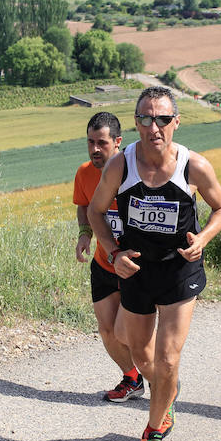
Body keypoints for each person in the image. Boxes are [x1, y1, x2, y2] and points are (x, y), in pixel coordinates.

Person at [88, 86, 221, 441]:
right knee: (141, 355)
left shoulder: (194, 166)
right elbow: (96, 212)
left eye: (163, 119)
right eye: (147, 119)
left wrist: (203, 238)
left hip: (178, 269)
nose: (155, 127)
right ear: (136, 123)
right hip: (136, 269)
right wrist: (114, 252)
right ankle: (164, 394)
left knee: (168, 359)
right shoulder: (121, 165)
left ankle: (153, 435)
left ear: (176, 122)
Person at [74, 112, 143, 402]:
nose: (95, 149)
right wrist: (85, 233)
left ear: (118, 142)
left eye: (101, 142)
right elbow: (84, 206)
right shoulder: (84, 172)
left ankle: (162, 382)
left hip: (135, 267)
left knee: (125, 332)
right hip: (104, 263)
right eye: (90, 142)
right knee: (107, 331)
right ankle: (132, 378)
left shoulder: (136, 172)